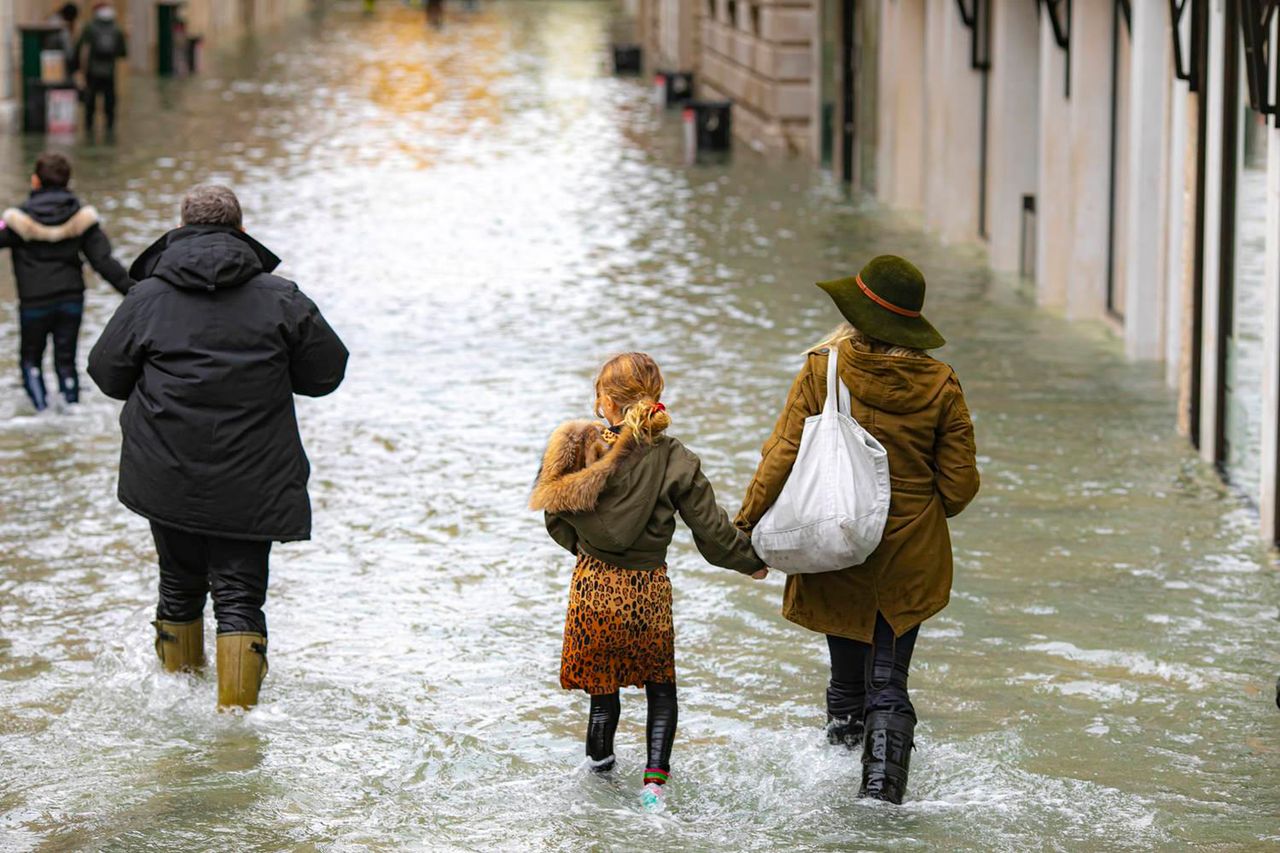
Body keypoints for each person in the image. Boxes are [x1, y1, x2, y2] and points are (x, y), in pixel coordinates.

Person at [87, 185, 348, 711]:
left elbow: (107, 373)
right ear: (242, 231)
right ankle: (236, 727)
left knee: (178, 585)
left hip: (166, 472)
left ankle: (177, 705)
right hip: (254, 475)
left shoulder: (147, 298)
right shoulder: (281, 297)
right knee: (240, 595)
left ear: (180, 228)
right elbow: (326, 373)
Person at [735, 256, 979, 805]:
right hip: (908, 555)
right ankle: (881, 799)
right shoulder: (941, 384)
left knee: (846, 679)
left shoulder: (823, 369)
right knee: (888, 682)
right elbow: (960, 489)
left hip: (834, 541)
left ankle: (838, 781)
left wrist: (744, 529)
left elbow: (782, 456)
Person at [530, 353, 768, 813]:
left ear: (606, 402)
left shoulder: (580, 449)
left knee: (603, 696)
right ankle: (654, 787)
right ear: (655, 397)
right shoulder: (677, 458)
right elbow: (712, 531)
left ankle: (599, 775)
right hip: (647, 590)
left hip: (593, 590)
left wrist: (588, 552)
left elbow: (555, 518)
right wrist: (751, 563)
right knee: (661, 689)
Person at [0, 152, 131, 412]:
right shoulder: (83, 219)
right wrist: (139, 292)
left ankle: (40, 411)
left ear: (35, 181)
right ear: (68, 181)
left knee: (30, 360)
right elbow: (105, 263)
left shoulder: (17, 221)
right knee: (66, 360)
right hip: (71, 300)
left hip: (34, 302)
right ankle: (71, 407)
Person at [76, 3, 127, 132]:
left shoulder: (90, 27)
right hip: (109, 72)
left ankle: (89, 127)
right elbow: (122, 54)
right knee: (109, 102)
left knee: (90, 103)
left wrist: (82, 71)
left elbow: (84, 51)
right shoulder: (116, 29)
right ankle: (110, 127)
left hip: (92, 71)